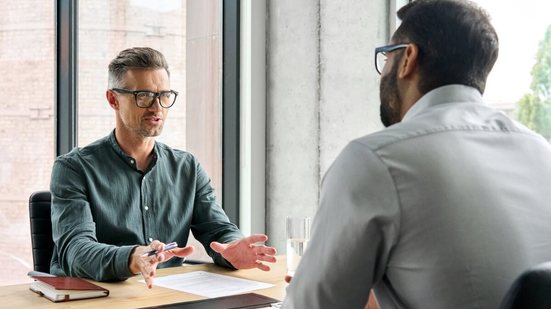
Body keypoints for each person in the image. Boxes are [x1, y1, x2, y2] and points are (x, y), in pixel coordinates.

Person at [283, 0, 551, 308]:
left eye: (386, 57)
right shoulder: (541, 152)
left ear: (408, 57)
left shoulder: (376, 160)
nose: (383, 71)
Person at [49, 47, 276, 288]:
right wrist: (133, 258)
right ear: (113, 99)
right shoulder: (73, 169)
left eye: (164, 95)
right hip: (97, 301)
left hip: (166, 298)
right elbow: (76, 251)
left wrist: (231, 247)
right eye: (144, 95)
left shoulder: (187, 167)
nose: (157, 107)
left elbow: (218, 230)